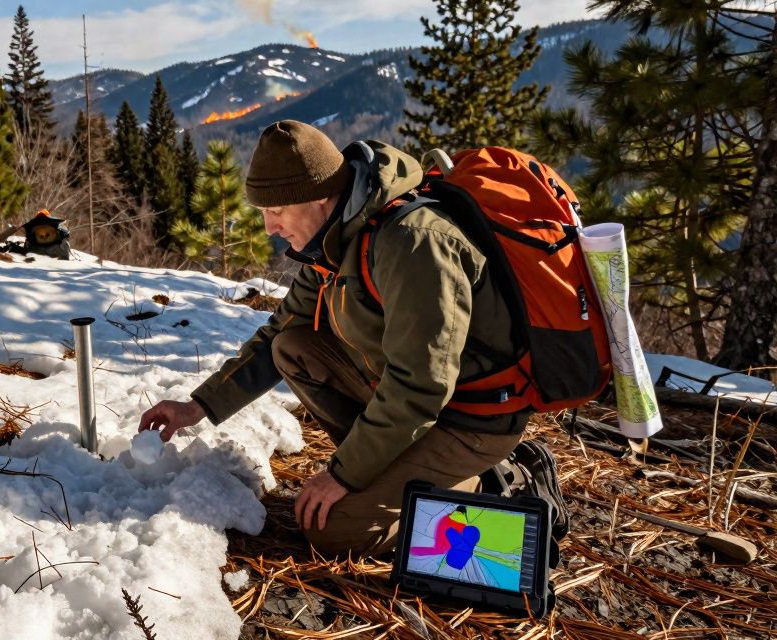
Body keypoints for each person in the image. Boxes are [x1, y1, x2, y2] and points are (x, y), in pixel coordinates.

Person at [138, 120, 548, 558]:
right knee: (291, 348)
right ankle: (397, 472)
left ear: (317, 194)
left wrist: (342, 475)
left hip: (471, 419)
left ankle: (493, 482)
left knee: (332, 531)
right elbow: (279, 331)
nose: (269, 227)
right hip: (425, 404)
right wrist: (197, 406)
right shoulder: (335, 237)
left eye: (277, 210)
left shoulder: (411, 243)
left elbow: (420, 385)